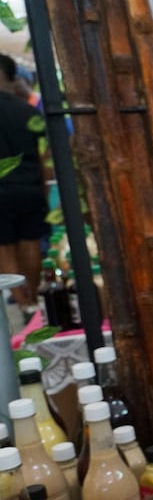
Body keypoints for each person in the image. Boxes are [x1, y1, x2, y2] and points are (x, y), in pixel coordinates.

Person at [0, 53, 49, 319]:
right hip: (30, 187)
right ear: (11, 77)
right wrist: (44, 189)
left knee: (4, 247)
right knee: (31, 241)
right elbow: (44, 157)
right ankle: (33, 298)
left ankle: (22, 304)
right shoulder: (29, 111)